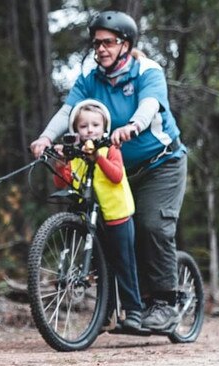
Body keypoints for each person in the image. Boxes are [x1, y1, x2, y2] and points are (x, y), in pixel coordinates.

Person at [30, 10, 187, 331]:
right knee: (102, 230)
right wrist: (46, 137)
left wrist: (132, 126)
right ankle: (109, 308)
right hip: (116, 168)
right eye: (97, 43)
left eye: (109, 42)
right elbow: (67, 110)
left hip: (161, 163)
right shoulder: (91, 79)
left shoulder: (147, 71)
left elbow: (151, 105)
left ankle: (166, 302)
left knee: (152, 226)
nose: (101, 49)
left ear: (126, 45)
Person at [52, 99, 143, 329]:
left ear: (104, 128)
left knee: (124, 263)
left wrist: (98, 158)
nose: (89, 130)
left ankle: (134, 312)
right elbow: (62, 181)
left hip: (117, 215)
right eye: (83, 126)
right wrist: (62, 160)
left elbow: (115, 175)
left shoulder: (110, 148)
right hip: (93, 219)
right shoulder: (77, 155)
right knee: (103, 268)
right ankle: (106, 313)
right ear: (76, 130)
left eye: (95, 125)